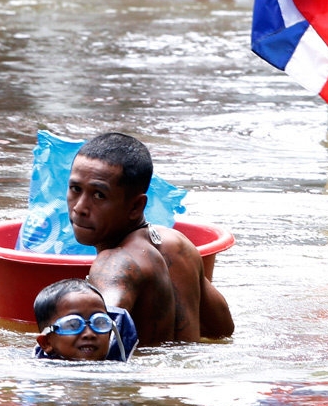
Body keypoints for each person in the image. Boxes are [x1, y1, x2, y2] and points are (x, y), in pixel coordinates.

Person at [67, 132, 234, 346]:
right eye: (75, 189)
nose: (79, 208)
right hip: (184, 377)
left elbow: (98, 336)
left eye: (99, 195)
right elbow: (222, 330)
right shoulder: (177, 244)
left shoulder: (115, 263)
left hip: (142, 379)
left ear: (136, 206)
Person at [33, 278, 138, 361]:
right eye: (73, 325)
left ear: (110, 333)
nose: (89, 334)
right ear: (46, 343)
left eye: (99, 322)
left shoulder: (121, 367)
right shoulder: (40, 378)